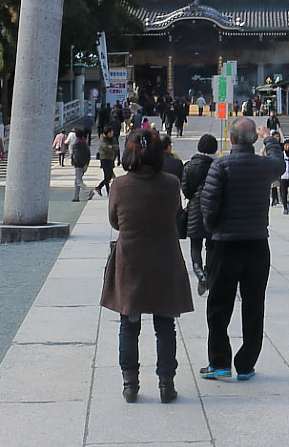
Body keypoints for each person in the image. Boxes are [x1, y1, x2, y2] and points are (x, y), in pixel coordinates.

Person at [100, 128, 194, 404]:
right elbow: (174, 214)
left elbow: (115, 222)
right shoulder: (171, 183)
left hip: (130, 258)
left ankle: (130, 384)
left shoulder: (119, 185)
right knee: (165, 324)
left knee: (129, 323)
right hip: (164, 255)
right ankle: (167, 383)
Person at [199, 118, 283, 381]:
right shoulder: (265, 166)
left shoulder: (220, 165)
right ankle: (246, 363)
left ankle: (220, 361)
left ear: (231, 139)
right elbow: (280, 164)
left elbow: (209, 205)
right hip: (257, 243)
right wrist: (270, 137)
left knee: (219, 305)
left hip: (225, 244)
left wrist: (212, 229)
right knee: (254, 304)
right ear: (255, 140)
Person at [182, 134, 218, 295]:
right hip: (213, 208)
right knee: (211, 245)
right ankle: (209, 273)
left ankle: (200, 274)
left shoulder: (189, 166)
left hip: (195, 209)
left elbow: (186, 189)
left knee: (195, 246)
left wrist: (194, 198)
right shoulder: (217, 166)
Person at [95, 125, 120, 197]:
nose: (112, 133)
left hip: (111, 159)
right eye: (111, 132)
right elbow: (104, 147)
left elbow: (116, 147)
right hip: (104, 159)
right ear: (108, 133)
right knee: (107, 175)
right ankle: (108, 191)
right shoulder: (103, 138)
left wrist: (111, 147)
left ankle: (99, 187)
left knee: (109, 176)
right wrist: (111, 147)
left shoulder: (113, 138)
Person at [70, 129, 93, 202]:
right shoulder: (85, 143)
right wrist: (86, 164)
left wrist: (73, 161)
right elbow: (88, 154)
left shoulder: (76, 144)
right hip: (84, 164)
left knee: (78, 180)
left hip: (78, 164)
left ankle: (89, 192)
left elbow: (76, 155)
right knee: (77, 181)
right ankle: (76, 197)